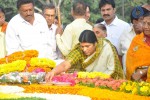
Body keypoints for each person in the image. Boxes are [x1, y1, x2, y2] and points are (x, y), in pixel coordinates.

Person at [45, 30, 124, 82]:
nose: (84, 49)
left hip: (109, 82)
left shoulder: (106, 47)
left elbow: (112, 70)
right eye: (82, 46)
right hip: (89, 81)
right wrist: (53, 72)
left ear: (95, 44)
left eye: (87, 46)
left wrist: (99, 79)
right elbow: (66, 64)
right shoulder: (79, 50)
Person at [119, 6, 149, 75]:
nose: (138, 23)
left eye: (141, 20)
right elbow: (120, 55)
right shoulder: (125, 34)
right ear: (132, 21)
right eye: (135, 20)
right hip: (129, 76)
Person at [126, 12, 150, 82]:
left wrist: (144, 71)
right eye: (144, 23)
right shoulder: (136, 40)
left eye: (149, 24)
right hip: (136, 82)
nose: (145, 27)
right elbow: (129, 62)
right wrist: (135, 75)